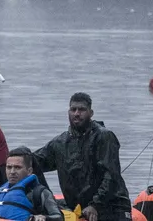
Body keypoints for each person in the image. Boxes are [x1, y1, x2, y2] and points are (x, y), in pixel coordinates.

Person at [33, 92, 132, 221]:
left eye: (82, 110)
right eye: (73, 109)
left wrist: (95, 204)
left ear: (91, 113)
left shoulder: (104, 137)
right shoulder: (60, 143)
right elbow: (32, 163)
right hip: (79, 209)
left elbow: (111, 175)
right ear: (68, 112)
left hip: (112, 207)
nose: (77, 113)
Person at [0, 147, 64, 221]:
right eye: (9, 167)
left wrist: (43, 218)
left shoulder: (39, 192)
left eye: (17, 167)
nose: (12, 172)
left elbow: (59, 217)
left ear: (29, 171)